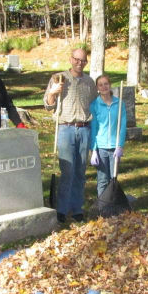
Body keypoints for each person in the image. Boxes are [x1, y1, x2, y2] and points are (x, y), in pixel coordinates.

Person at [43, 49, 98, 223]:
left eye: (83, 60)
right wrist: (53, 92)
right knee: (67, 170)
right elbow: (48, 106)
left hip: (84, 129)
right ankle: (62, 208)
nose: (79, 63)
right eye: (76, 59)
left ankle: (76, 209)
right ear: (71, 59)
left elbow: (94, 106)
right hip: (65, 128)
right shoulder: (58, 78)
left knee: (80, 171)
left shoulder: (89, 82)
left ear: (86, 62)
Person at [89, 74, 127, 196]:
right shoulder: (94, 105)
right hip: (101, 148)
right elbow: (93, 128)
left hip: (115, 147)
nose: (104, 87)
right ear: (97, 88)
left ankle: (113, 206)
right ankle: (102, 208)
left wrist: (120, 145)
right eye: (100, 84)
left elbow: (122, 126)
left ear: (110, 85)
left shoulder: (119, 103)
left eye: (106, 84)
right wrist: (94, 150)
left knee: (113, 179)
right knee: (102, 180)